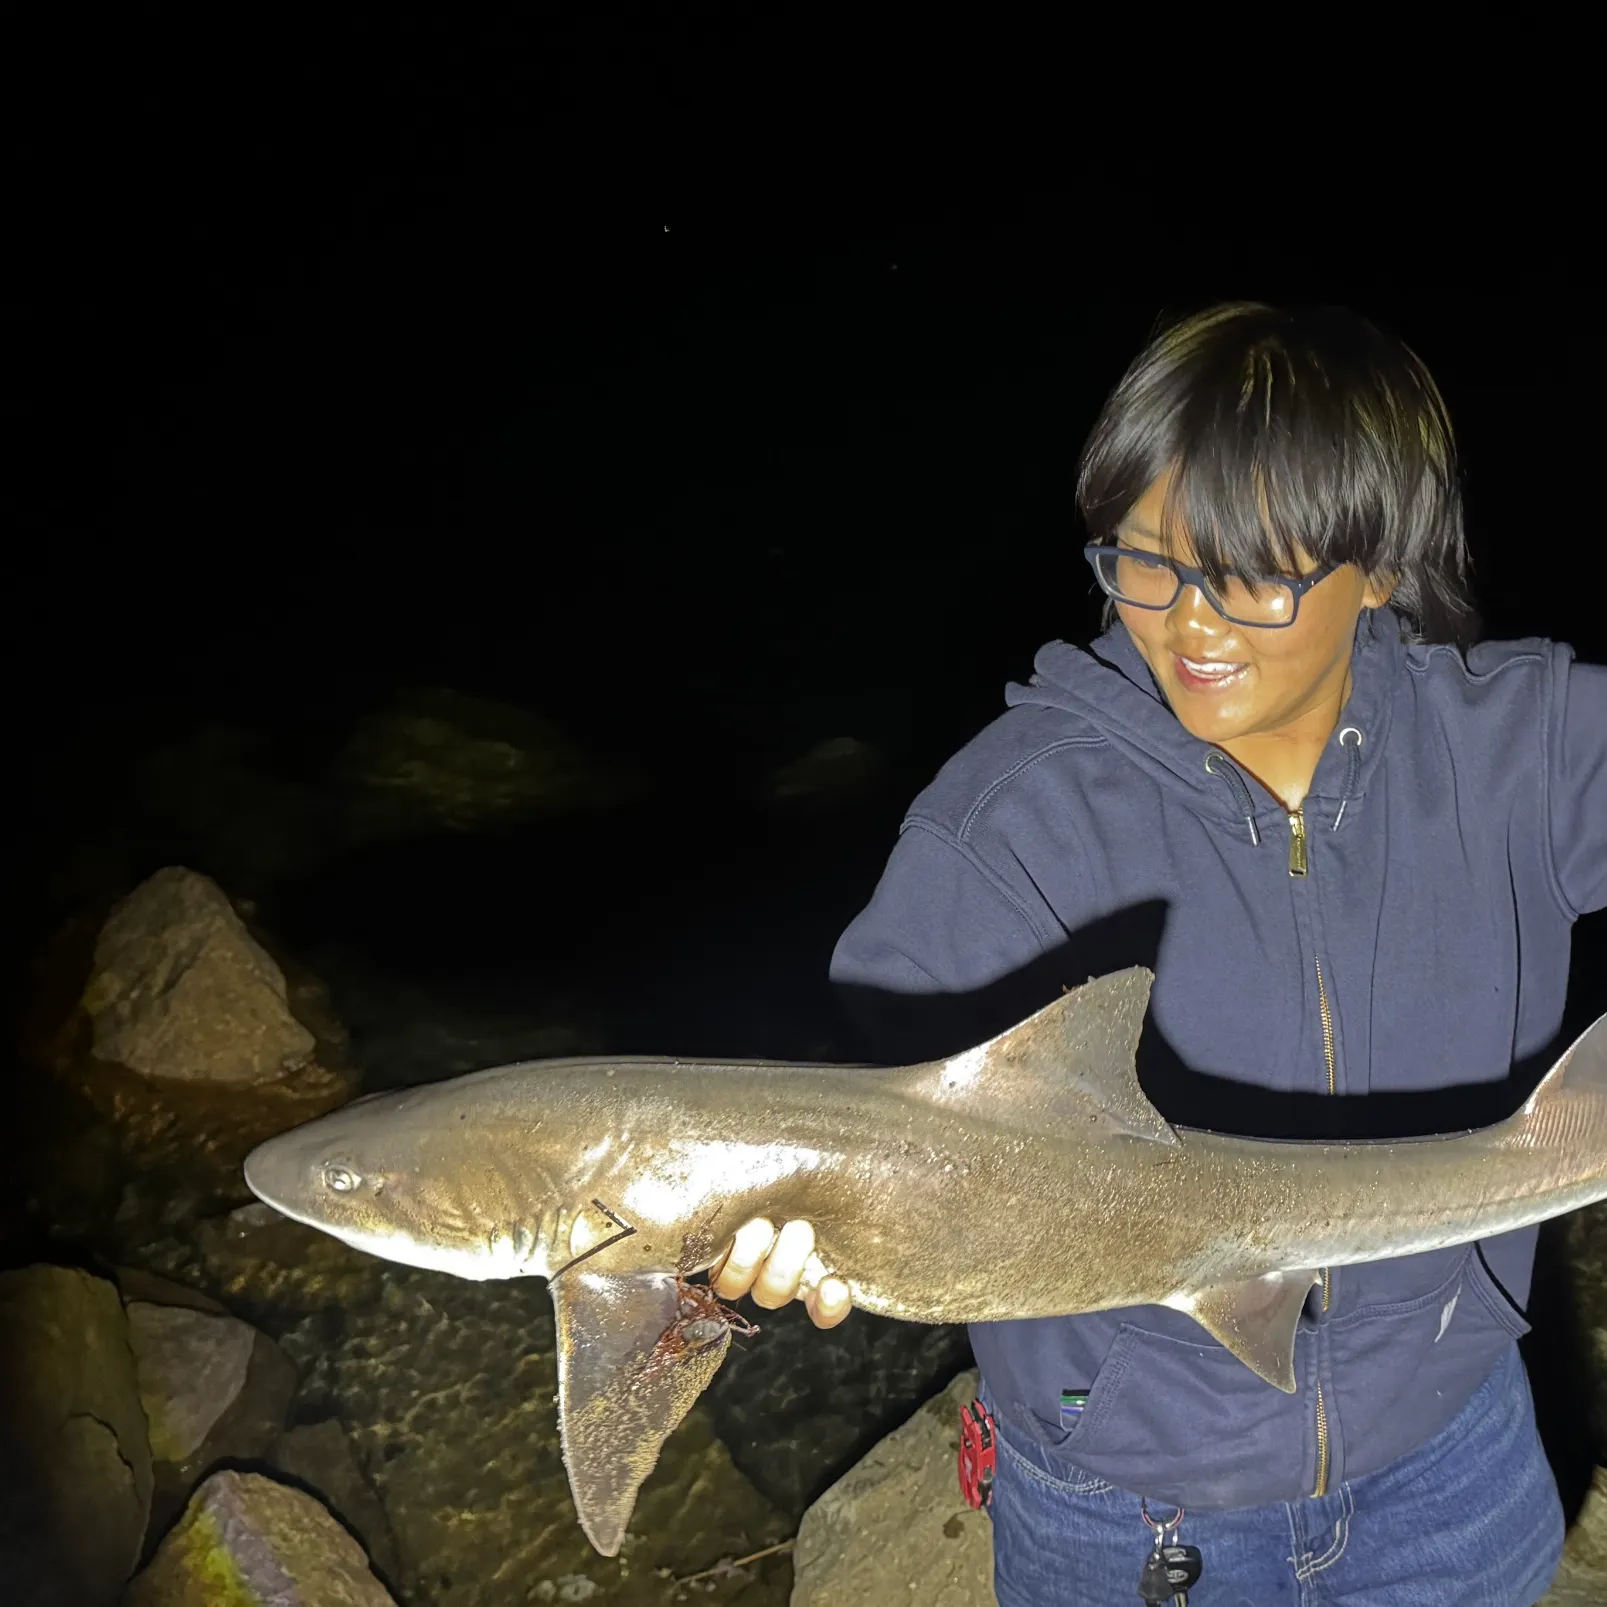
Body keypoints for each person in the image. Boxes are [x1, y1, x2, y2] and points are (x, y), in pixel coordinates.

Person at [709, 301, 1607, 1604]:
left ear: (1382, 569)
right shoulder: (1006, 829)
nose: (1189, 623)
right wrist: (765, 1263)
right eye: (1144, 561)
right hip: (1128, 1505)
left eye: (1252, 574)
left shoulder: (1523, 751)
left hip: (1448, 1458)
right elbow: (866, 1131)